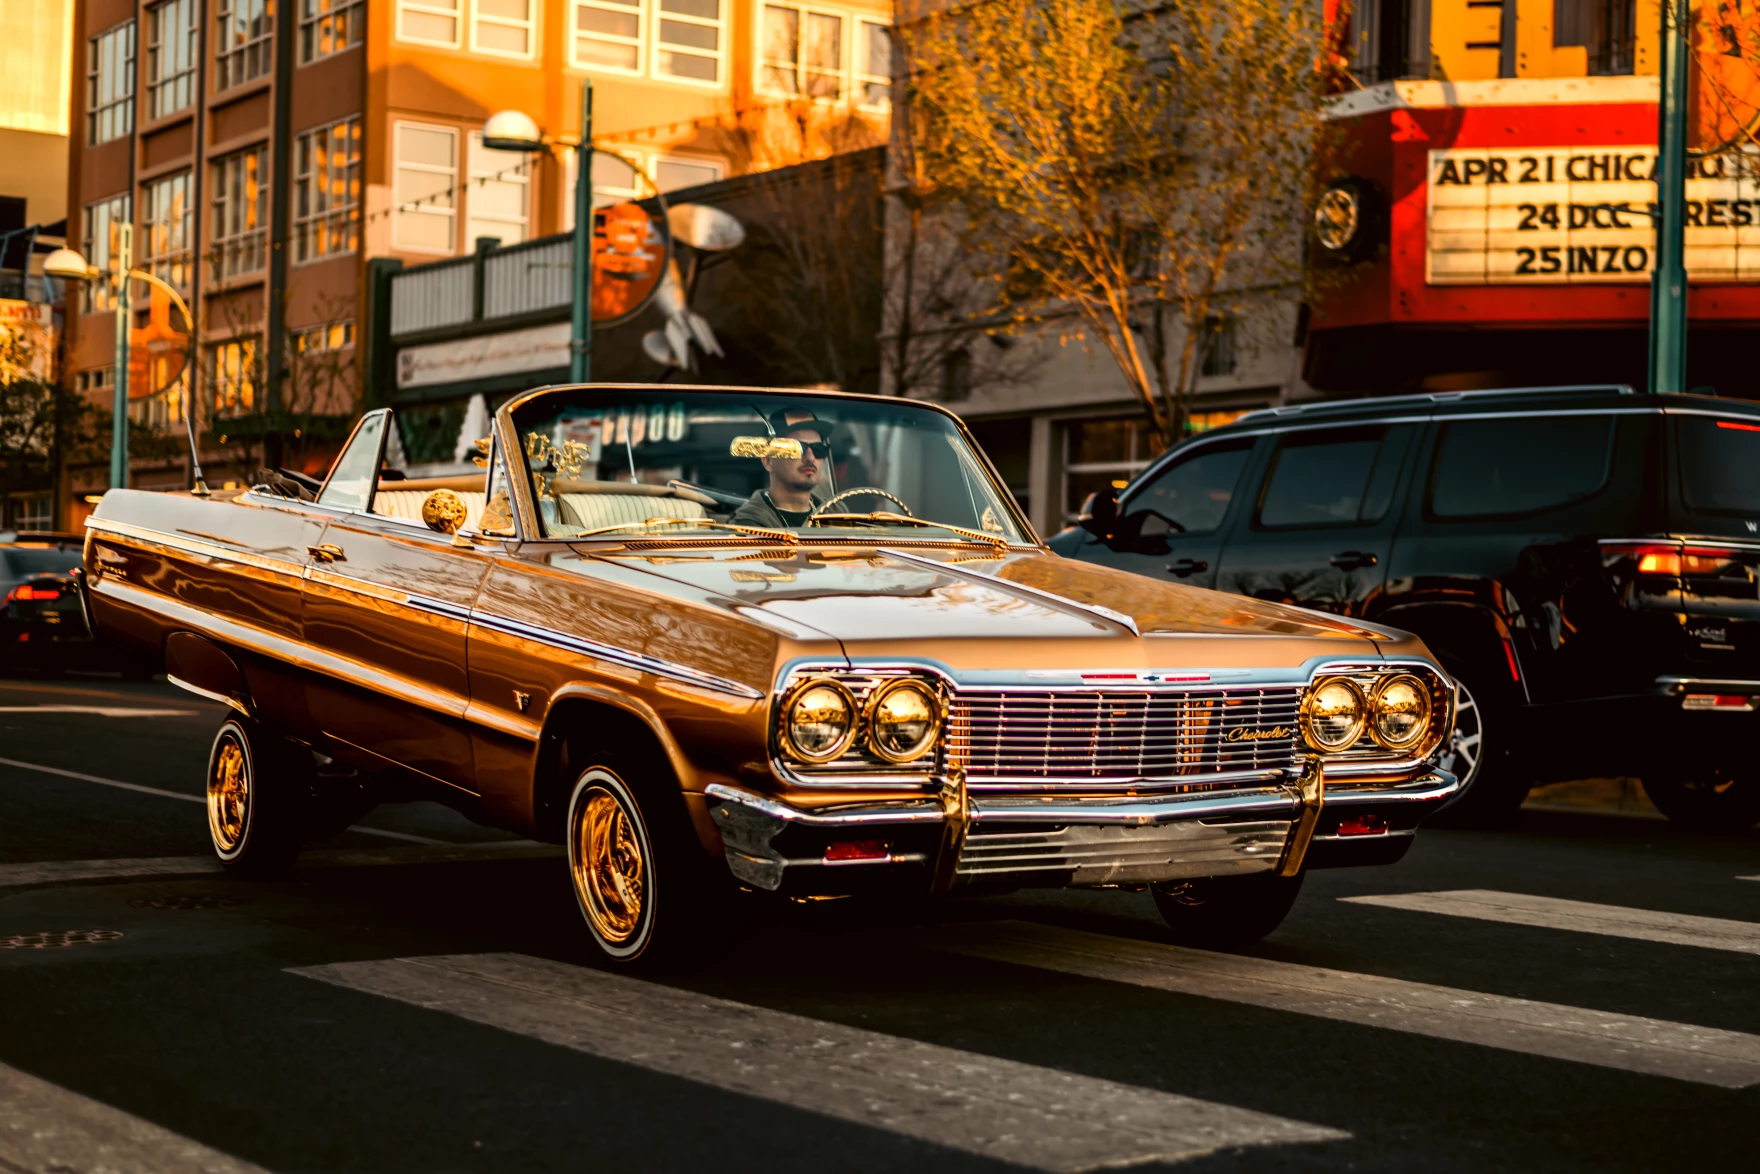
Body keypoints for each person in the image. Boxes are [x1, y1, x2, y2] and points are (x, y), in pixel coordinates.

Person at [730, 409, 831, 529]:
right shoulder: (749, 523)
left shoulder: (835, 511)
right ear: (768, 461)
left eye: (818, 448)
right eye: (796, 448)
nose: (810, 457)